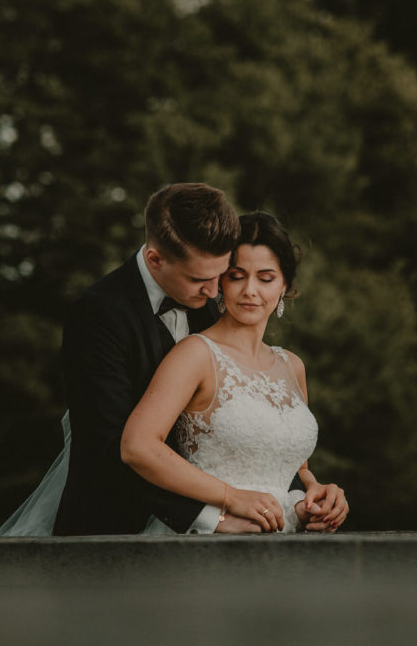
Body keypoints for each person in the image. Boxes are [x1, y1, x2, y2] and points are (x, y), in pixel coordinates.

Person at [0, 183, 292, 536]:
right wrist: (214, 516)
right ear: (155, 259)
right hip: (112, 535)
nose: (216, 293)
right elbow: (107, 446)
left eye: (221, 274)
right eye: (199, 279)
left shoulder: (211, 305)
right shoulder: (99, 314)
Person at [121, 211, 348, 533]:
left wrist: (315, 497)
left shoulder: (292, 365)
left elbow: (294, 467)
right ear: (219, 280)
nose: (250, 290)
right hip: (214, 536)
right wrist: (230, 498)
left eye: (266, 278)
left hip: (289, 541)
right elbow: (138, 447)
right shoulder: (195, 354)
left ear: (285, 283)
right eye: (237, 275)